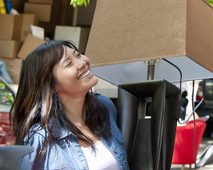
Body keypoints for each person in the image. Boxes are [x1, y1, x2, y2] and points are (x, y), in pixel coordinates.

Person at [11, 40, 129, 170]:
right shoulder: (41, 139)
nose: (82, 63)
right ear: (52, 85)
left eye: (78, 55)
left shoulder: (105, 107)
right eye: (69, 63)